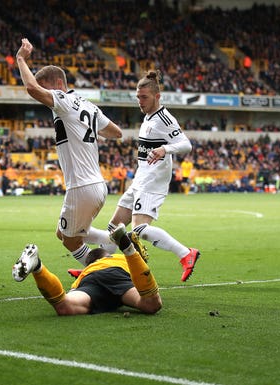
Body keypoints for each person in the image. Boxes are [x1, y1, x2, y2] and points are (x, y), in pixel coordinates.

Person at [15, 38, 123, 264]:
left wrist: (20, 59)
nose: (46, 96)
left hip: (81, 186)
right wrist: (89, 128)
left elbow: (31, 88)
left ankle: (100, 271)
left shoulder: (63, 100)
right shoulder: (88, 105)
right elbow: (116, 132)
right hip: (97, 185)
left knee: (69, 240)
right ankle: (117, 240)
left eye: (47, 88)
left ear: (56, 84)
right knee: (62, 233)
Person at [105, 71, 199, 282]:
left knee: (138, 230)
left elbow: (186, 145)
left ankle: (186, 254)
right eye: (138, 97)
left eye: (144, 97)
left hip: (153, 182)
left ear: (157, 96)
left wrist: (165, 149)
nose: (140, 101)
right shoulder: (148, 117)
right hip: (141, 179)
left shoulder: (164, 118)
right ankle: (98, 268)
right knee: (115, 227)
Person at [12, 223, 161, 315]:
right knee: (151, 304)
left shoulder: (87, 270)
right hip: (117, 273)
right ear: (106, 255)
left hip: (89, 281)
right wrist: (134, 254)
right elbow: (141, 271)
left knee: (65, 306)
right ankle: (127, 249)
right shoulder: (117, 259)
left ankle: (38, 267)